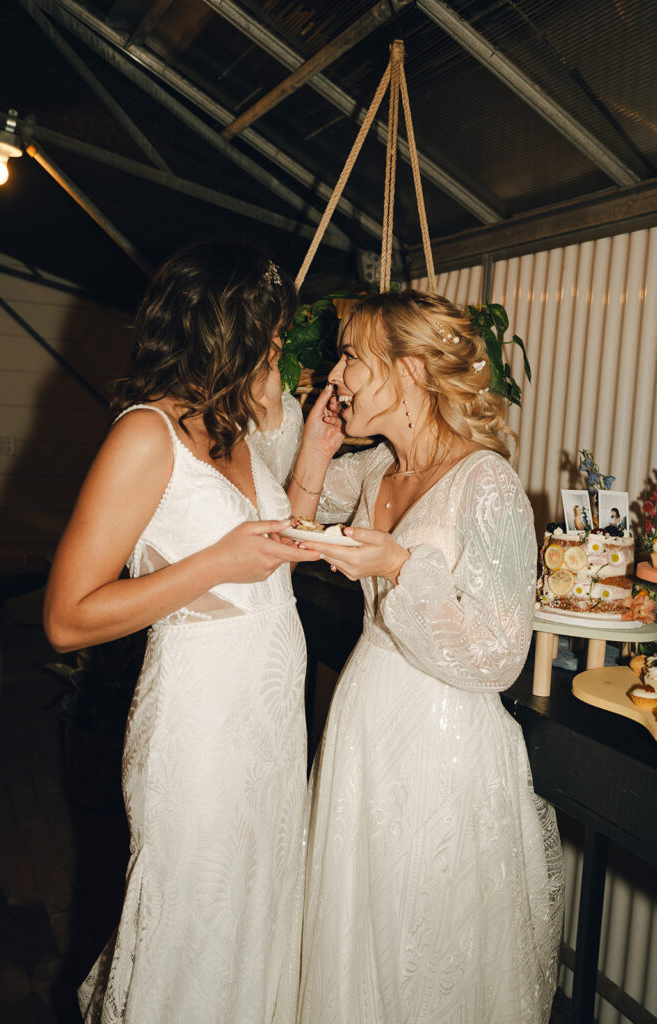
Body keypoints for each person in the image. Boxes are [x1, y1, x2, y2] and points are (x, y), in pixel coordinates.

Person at [43, 241, 320, 1023]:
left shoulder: (230, 432)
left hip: (266, 725)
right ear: (224, 330)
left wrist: (316, 456)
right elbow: (66, 618)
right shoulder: (145, 436)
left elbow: (267, 562)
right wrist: (212, 564)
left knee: (254, 926)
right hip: (199, 731)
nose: (277, 347)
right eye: (267, 332)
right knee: (197, 933)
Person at [289, 291, 564, 1024]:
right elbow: (295, 528)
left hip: (443, 753)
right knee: (354, 947)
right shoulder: (374, 471)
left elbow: (500, 657)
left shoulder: (488, 484)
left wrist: (397, 568)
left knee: (429, 958)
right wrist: (316, 451)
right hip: (363, 729)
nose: (335, 372)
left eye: (351, 355)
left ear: (408, 371)